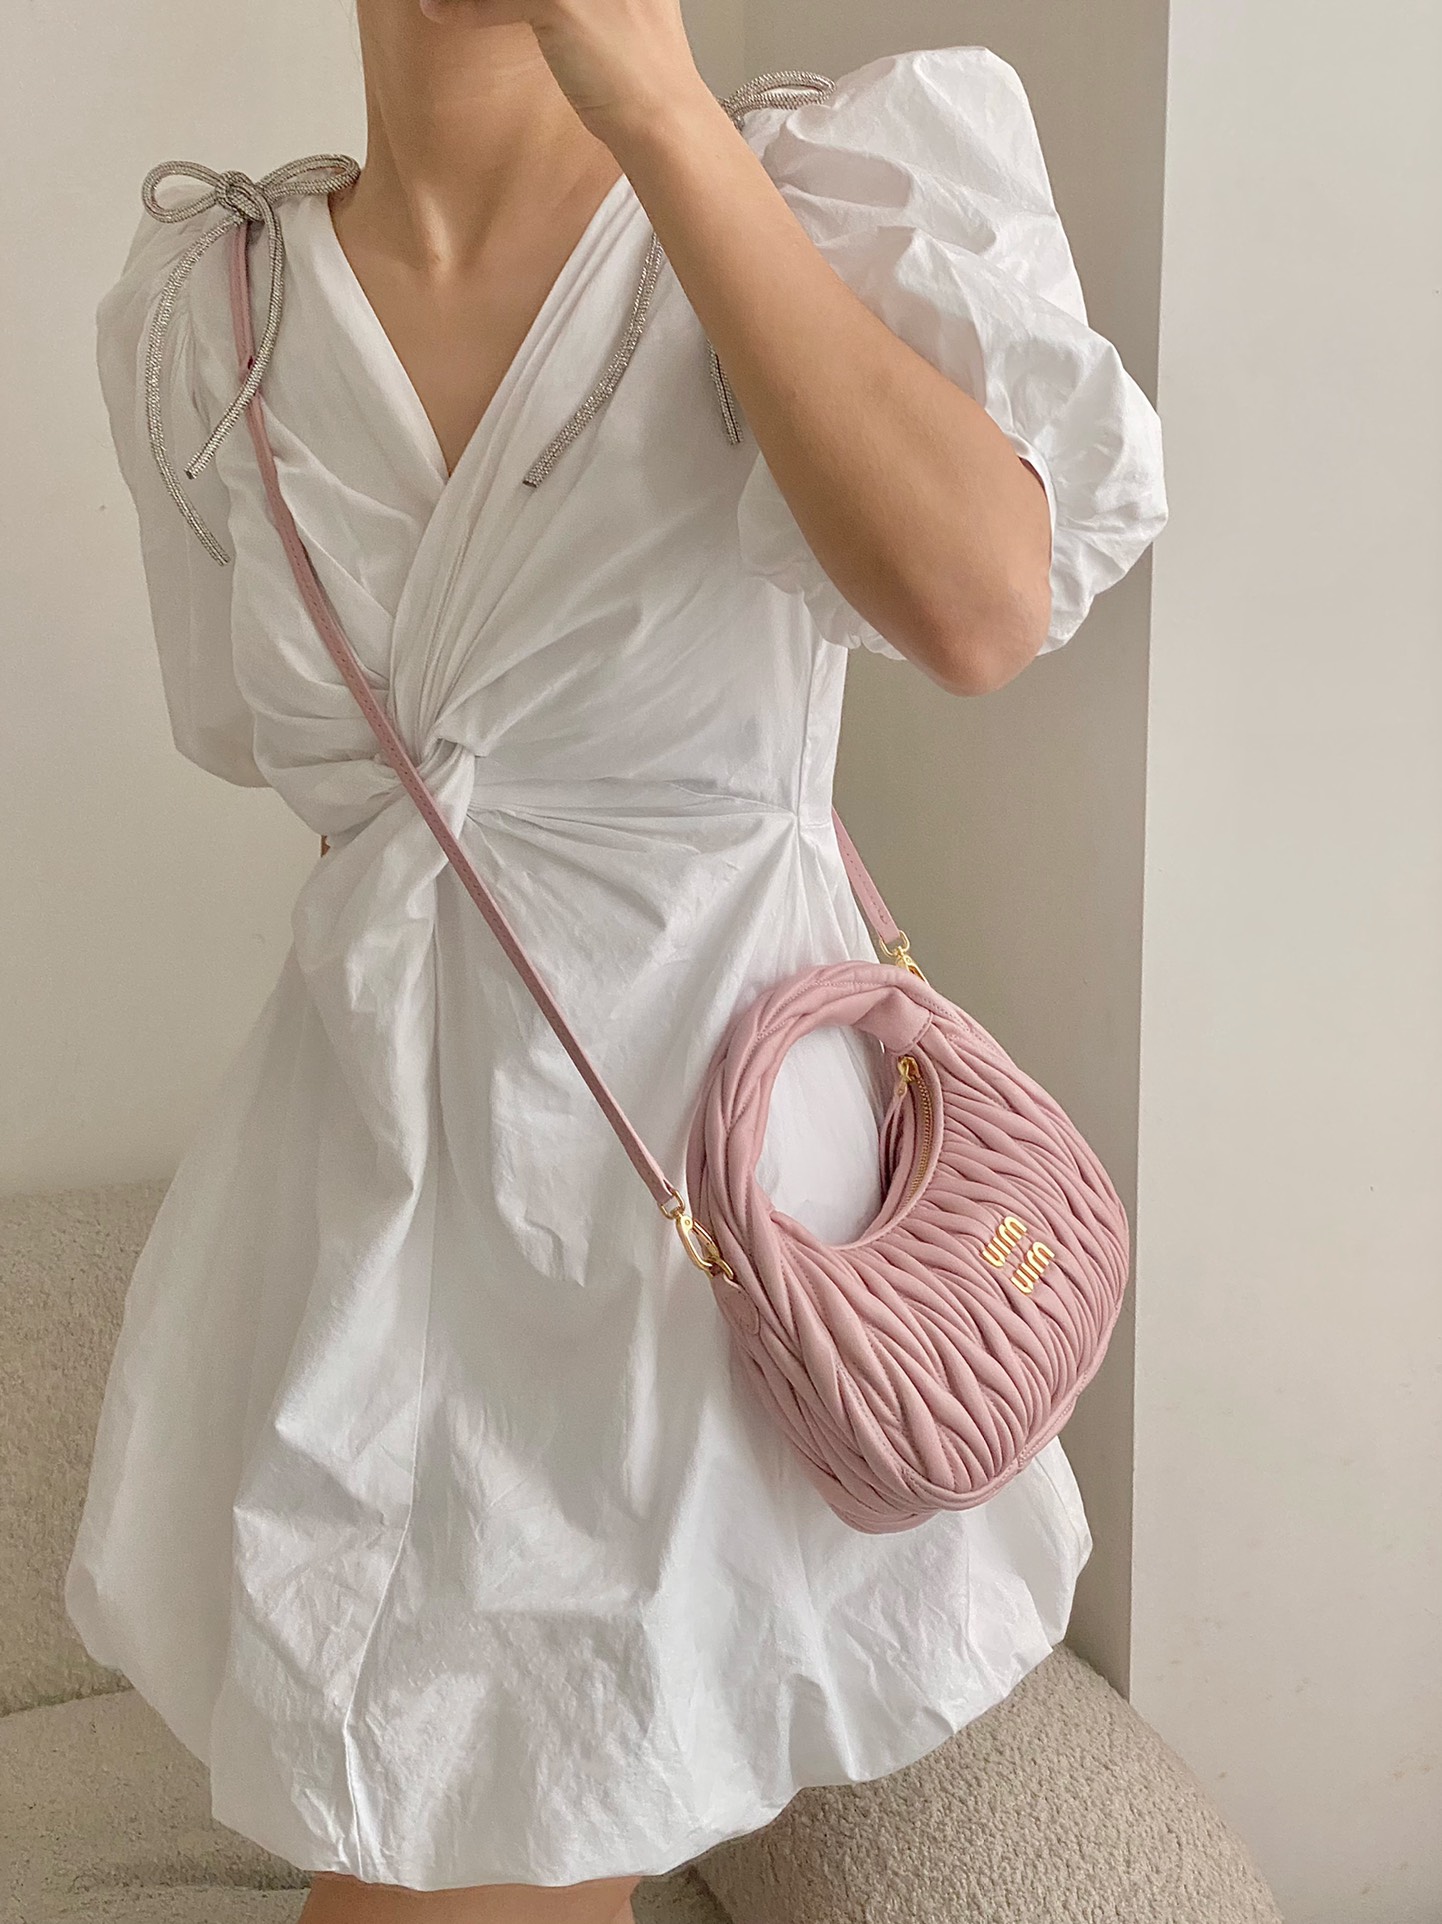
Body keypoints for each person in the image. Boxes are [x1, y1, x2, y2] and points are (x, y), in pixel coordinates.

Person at [65, 2, 1168, 1920]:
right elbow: (318, 792)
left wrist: (657, 106)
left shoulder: (816, 189)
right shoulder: (205, 315)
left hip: (699, 1233)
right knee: (436, 1827)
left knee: (489, 1842)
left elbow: (982, 600)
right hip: (370, 1215)